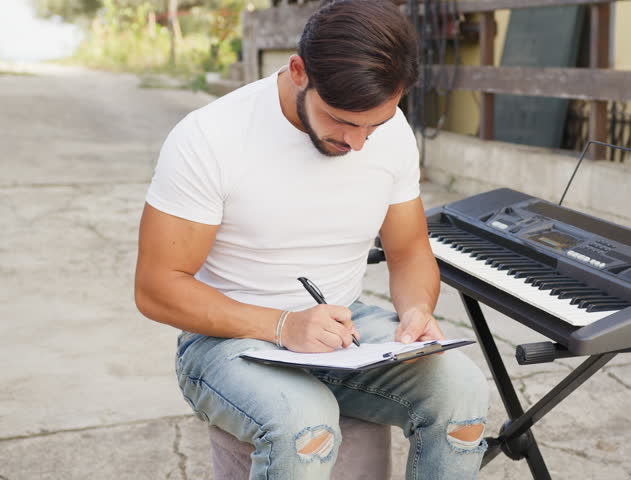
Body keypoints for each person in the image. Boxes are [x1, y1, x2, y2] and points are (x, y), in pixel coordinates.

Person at [133, 0, 490, 478]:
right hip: (225, 342)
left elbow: (408, 251)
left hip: (344, 331)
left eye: (374, 125)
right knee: (304, 424)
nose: (358, 143)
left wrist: (415, 311)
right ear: (298, 71)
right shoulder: (209, 137)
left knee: (462, 394)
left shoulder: (394, 133)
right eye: (342, 120)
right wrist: (284, 326)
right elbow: (156, 287)